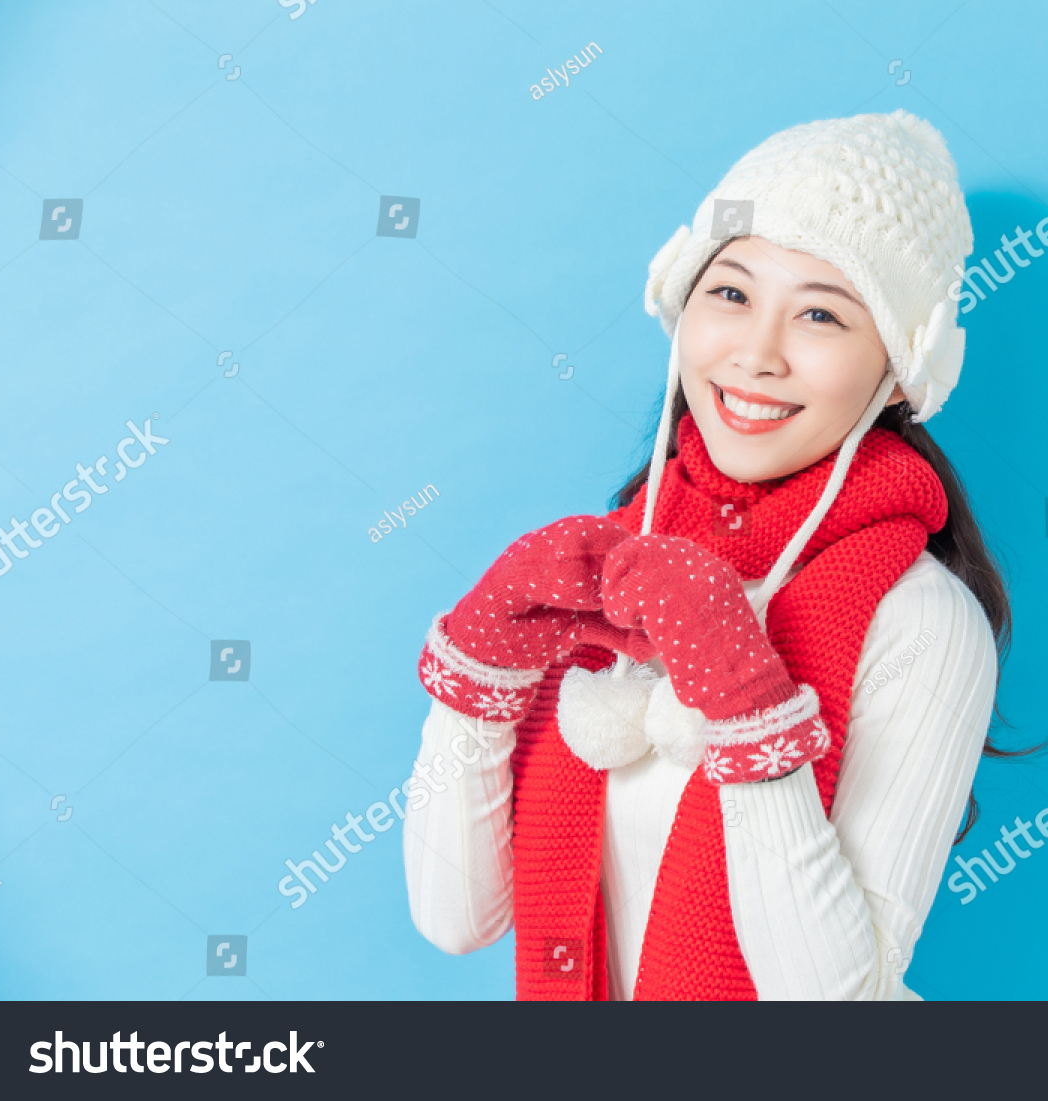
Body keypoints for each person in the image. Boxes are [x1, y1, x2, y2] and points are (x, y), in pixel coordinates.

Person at [403, 108, 1009, 1000]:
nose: (755, 354)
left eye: (820, 314)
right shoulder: (609, 571)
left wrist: (743, 699)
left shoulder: (921, 620)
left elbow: (836, 998)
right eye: (729, 293)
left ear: (897, 371)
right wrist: (480, 676)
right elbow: (458, 919)